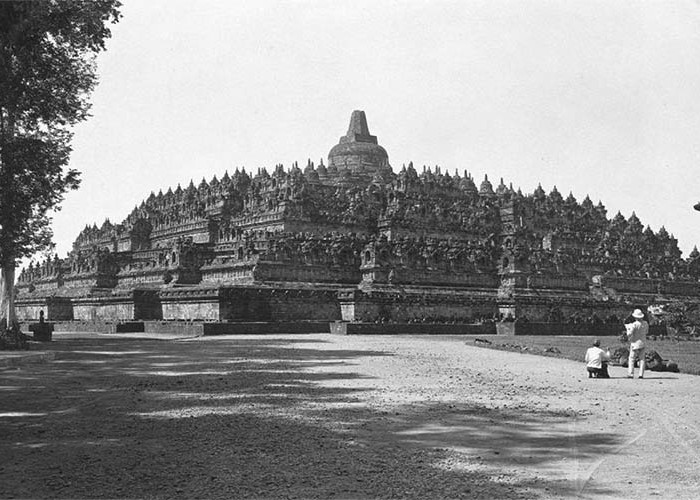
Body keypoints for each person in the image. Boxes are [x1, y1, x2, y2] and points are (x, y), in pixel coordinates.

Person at [626, 308, 649, 379]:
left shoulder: (634, 324)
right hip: (643, 342)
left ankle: (631, 373)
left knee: (632, 358)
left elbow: (629, 334)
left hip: (635, 343)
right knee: (642, 359)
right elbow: (646, 332)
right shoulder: (645, 323)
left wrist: (628, 329)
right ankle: (641, 374)